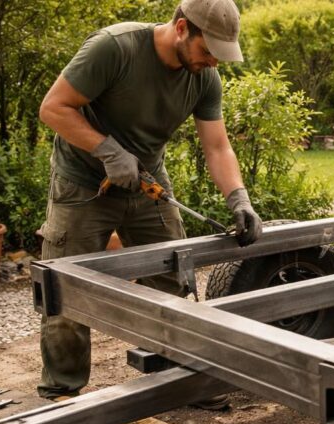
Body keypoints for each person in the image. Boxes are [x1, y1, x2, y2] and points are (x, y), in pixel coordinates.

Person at [36, 0, 260, 400]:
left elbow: (217, 146)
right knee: (67, 288)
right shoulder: (115, 48)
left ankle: (176, 377)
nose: (213, 62)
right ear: (181, 28)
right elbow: (53, 108)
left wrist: (239, 198)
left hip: (146, 182)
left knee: (172, 277)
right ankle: (62, 391)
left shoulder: (204, 77)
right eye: (208, 50)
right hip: (83, 184)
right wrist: (107, 150)